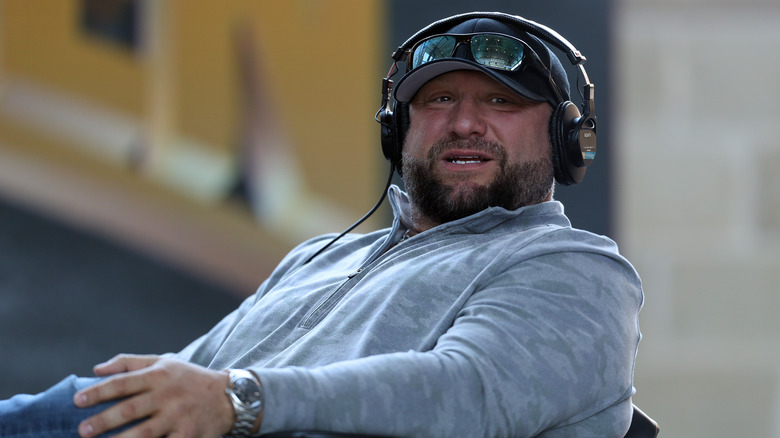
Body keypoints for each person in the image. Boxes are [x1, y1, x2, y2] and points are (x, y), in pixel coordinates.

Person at [0, 11, 643, 438]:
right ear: (398, 132)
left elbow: (467, 394)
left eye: (500, 102)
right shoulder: (319, 257)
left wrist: (240, 400)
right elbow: (170, 393)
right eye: (439, 99)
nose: (465, 123)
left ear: (567, 138)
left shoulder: (574, 268)